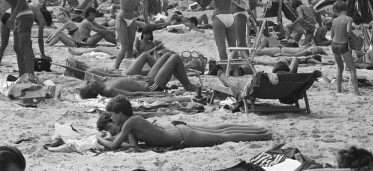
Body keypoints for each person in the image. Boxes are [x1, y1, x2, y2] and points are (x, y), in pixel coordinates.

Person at [95, 96, 272, 149]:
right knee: (220, 130)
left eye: (112, 115)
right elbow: (133, 146)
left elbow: (115, 146)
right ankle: (261, 131)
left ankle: (264, 135)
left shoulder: (129, 123)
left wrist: (99, 138)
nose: (112, 119)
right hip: (179, 131)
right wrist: (110, 139)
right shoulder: (131, 123)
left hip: (182, 136)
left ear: (120, 113)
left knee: (224, 137)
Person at [79, 53, 199, 99]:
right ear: (93, 90)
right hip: (151, 87)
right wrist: (158, 94)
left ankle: (186, 84)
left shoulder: (105, 82)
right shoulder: (109, 90)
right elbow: (133, 94)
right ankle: (188, 85)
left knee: (168, 55)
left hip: (145, 81)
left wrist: (137, 78)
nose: (89, 82)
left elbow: (126, 81)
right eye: (88, 85)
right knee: (175, 58)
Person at [0, 0, 35, 75]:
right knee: (17, 48)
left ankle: (31, 76)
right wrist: (13, 18)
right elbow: (13, 3)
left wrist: (13, 16)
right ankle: (22, 75)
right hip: (18, 17)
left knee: (24, 47)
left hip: (25, 15)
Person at [115, 0, 145, 69]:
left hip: (131, 19)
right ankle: (115, 68)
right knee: (124, 47)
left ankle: (128, 68)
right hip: (121, 19)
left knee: (130, 47)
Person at [330, 0, 361, 95]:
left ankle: (338, 89)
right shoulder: (348, 19)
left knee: (340, 67)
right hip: (343, 44)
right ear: (346, 8)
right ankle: (356, 91)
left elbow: (332, 35)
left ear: (337, 10)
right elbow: (348, 31)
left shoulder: (334, 20)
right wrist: (356, 39)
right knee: (352, 68)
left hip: (334, 44)